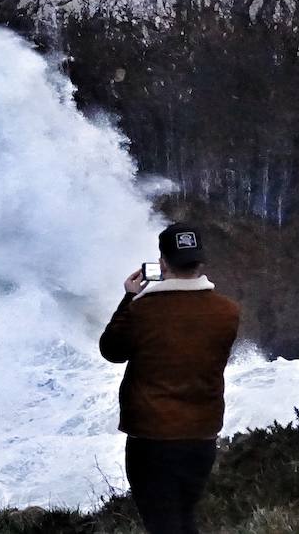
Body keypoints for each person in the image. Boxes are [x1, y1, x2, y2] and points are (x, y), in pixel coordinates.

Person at [99, 223, 241, 534]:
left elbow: (111, 350)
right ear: (200, 262)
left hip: (152, 438)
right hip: (201, 436)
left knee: (161, 525)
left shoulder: (143, 310)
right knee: (184, 518)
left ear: (162, 262)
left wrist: (129, 298)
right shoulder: (228, 312)